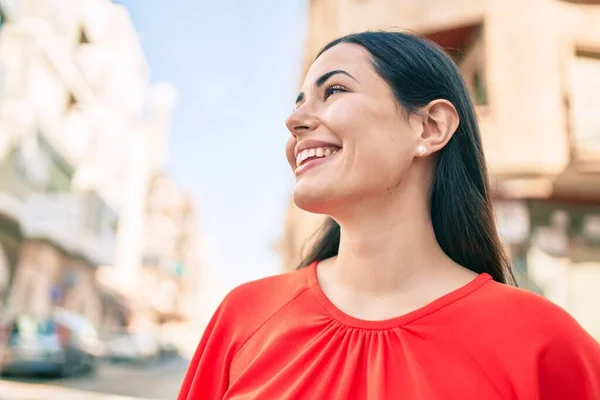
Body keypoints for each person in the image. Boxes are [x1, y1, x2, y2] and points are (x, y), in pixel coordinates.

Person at [178, 31, 600, 399]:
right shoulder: (245, 315)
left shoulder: (543, 342)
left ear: (430, 127)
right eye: (299, 101)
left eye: (335, 91)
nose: (295, 121)